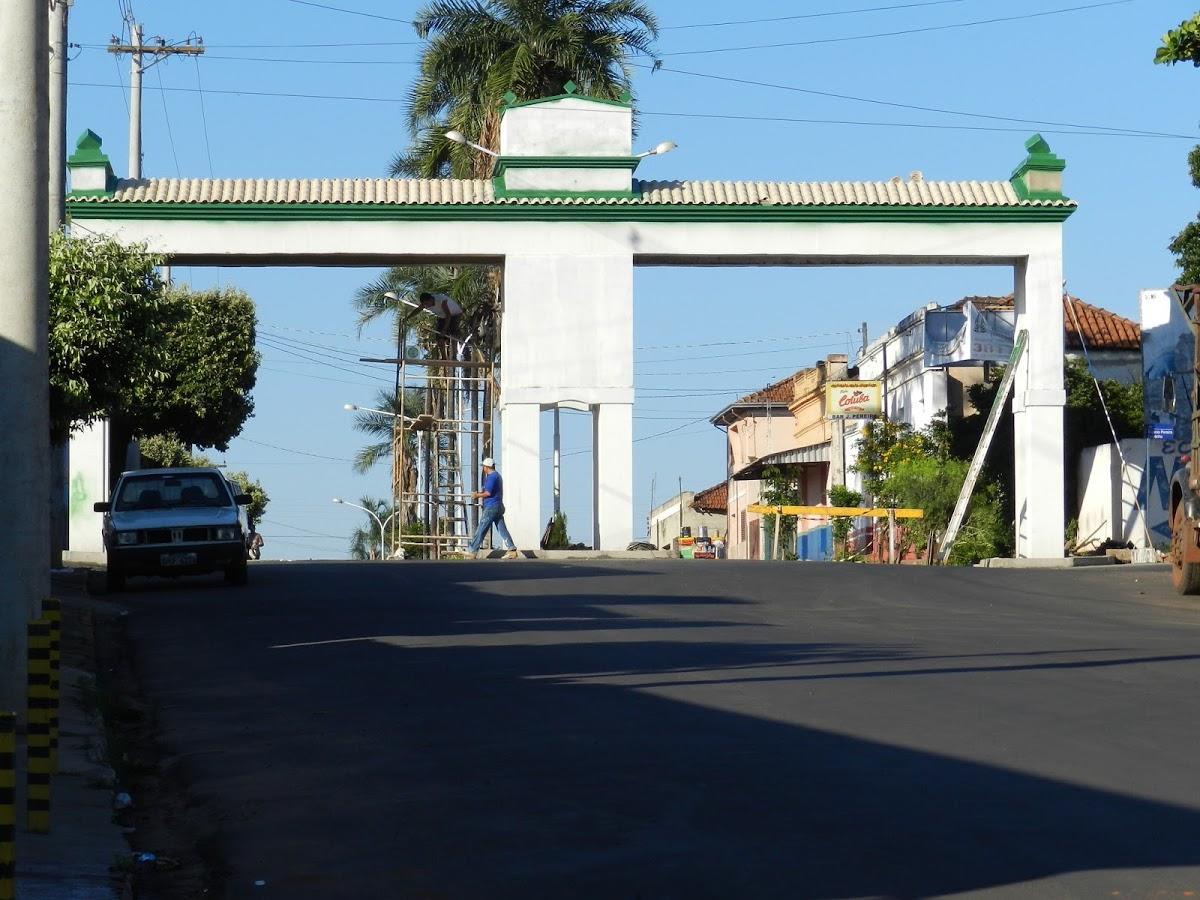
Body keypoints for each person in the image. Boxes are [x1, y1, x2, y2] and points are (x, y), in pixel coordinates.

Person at [467, 457, 519, 559]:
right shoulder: (498, 476)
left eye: (483, 467)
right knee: (501, 528)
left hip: (491, 506)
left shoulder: (491, 477)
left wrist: (477, 495)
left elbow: (488, 493)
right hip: (498, 505)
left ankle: (472, 551)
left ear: (487, 467)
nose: (483, 468)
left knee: (481, 528)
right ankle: (512, 549)